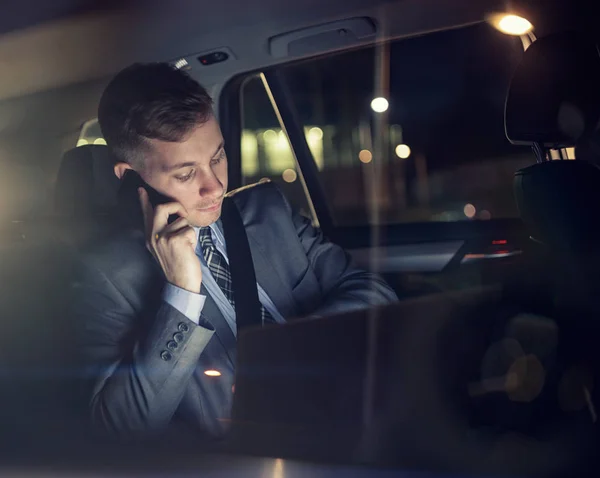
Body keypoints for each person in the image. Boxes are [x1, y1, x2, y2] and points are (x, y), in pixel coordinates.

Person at [71, 62, 397, 439]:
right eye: (186, 173)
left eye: (217, 157)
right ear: (130, 176)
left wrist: (297, 349)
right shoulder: (105, 275)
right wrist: (181, 294)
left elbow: (374, 291)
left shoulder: (268, 209)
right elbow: (118, 427)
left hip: (353, 415)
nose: (215, 188)